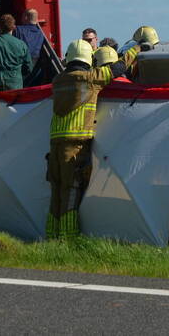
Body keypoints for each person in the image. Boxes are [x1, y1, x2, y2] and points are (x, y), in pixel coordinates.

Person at [46, 37, 143, 239]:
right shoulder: (91, 78)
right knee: (71, 191)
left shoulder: (57, 81)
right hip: (75, 147)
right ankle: (68, 237)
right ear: (88, 59)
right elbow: (118, 68)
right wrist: (137, 48)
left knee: (56, 191)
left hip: (55, 146)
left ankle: (51, 236)